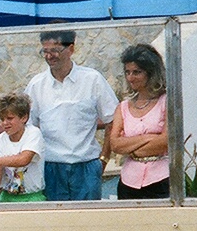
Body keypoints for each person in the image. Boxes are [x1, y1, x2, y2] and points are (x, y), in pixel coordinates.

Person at [24, 29, 119, 201]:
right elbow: (29, 127)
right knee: (56, 224)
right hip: (51, 168)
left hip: (87, 166)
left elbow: (113, 119)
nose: (49, 56)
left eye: (55, 50)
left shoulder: (92, 79)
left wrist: (103, 160)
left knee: (88, 222)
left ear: (71, 49)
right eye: (45, 51)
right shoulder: (36, 85)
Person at [106, 44, 171, 200]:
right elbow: (115, 144)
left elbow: (165, 141)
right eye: (128, 72)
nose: (130, 78)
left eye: (137, 72)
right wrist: (149, 137)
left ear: (150, 73)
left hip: (161, 179)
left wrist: (130, 146)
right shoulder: (123, 107)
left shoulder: (167, 101)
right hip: (128, 182)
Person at [0, 93, 46, 203]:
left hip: (32, 197)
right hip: (7, 196)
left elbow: (24, 159)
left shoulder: (33, 134)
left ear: (24, 118)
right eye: (2, 119)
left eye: (10, 118)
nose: (5, 123)